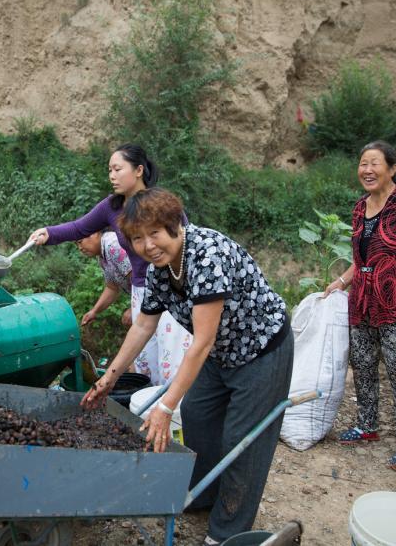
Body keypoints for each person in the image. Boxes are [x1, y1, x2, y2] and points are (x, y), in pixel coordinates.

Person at [82, 188, 293, 545]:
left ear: (175, 226)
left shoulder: (206, 255)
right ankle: (205, 495)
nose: (148, 245)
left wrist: (164, 408)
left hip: (260, 351)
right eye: (137, 238)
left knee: (242, 440)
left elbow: (202, 341)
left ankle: (228, 530)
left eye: (155, 233)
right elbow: (143, 325)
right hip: (219, 353)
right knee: (196, 412)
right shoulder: (159, 271)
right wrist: (109, 378)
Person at [30, 143, 190, 382]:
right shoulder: (112, 206)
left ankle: (175, 413)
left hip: (171, 289)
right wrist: (48, 233)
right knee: (145, 362)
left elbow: (187, 241)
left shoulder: (161, 203)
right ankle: (148, 413)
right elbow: (78, 227)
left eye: (117, 169)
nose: (112, 176)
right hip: (141, 292)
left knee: (172, 359)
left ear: (138, 170)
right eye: (109, 170)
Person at [324, 140, 396, 473]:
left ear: (392, 168)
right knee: (364, 365)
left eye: (374, 163)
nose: (367, 170)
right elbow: (362, 259)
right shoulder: (360, 208)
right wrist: (341, 282)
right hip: (363, 303)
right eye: (362, 163)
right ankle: (367, 424)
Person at [78, 230, 191, 384]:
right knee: (145, 351)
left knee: (165, 349)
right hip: (144, 300)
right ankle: (150, 387)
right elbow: (112, 288)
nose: (80, 247)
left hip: (155, 296)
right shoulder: (103, 257)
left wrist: (134, 308)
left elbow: (137, 274)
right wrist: (95, 311)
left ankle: (165, 390)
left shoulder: (113, 246)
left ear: (96, 233)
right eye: (76, 244)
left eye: (80, 241)